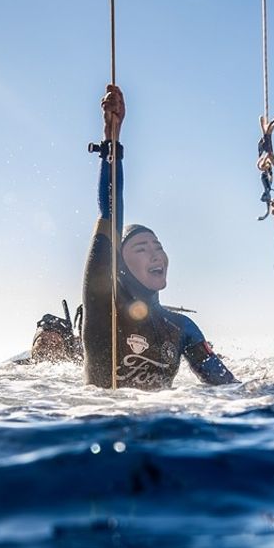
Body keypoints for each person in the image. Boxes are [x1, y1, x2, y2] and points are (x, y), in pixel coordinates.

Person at [82, 84, 238, 390]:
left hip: (165, 419)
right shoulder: (104, 304)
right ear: (119, 263)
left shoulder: (182, 328)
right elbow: (111, 213)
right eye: (141, 248)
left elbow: (228, 387)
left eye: (158, 246)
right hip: (102, 414)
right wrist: (112, 141)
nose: (155, 254)